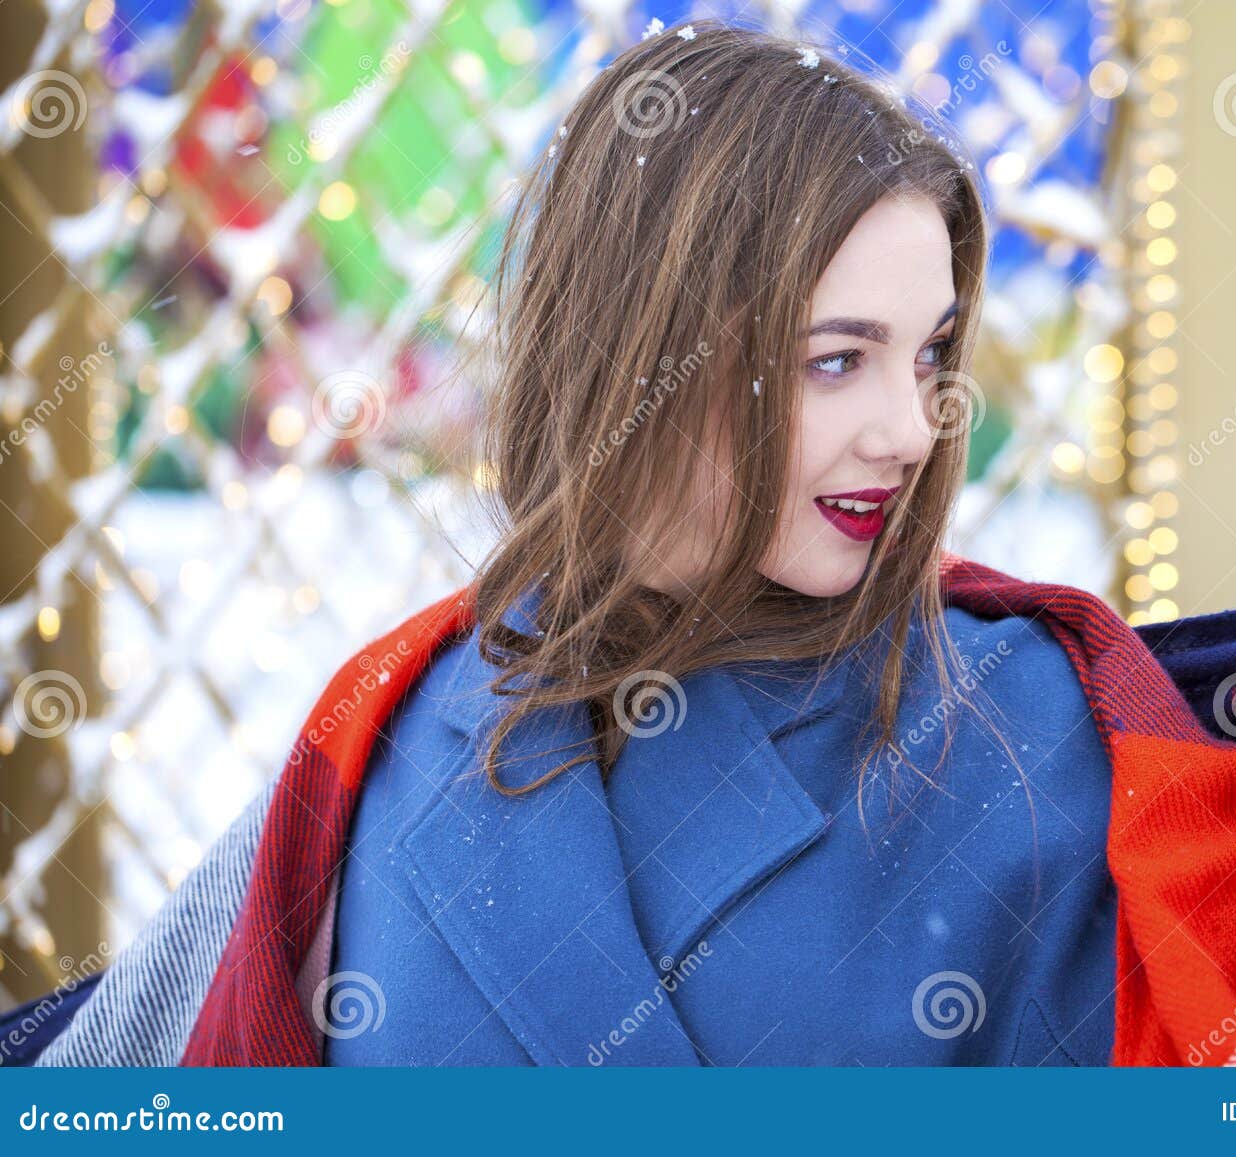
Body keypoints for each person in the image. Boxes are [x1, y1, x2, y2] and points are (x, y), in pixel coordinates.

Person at [317, 22, 1117, 1065]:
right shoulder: (388, 731)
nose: (916, 429)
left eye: (928, 356)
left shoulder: (1020, 730)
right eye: (837, 361)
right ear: (645, 348)